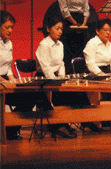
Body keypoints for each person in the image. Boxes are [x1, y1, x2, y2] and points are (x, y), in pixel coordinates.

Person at [35, 16, 79, 138]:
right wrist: (54, 81)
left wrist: (61, 78)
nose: (60, 31)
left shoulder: (60, 44)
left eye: (61, 29)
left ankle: (62, 124)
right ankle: (57, 126)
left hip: (54, 78)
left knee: (65, 97)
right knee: (48, 99)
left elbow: (61, 63)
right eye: (57, 28)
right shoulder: (44, 44)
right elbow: (45, 66)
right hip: (43, 78)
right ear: (49, 29)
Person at [0, 10, 38, 140]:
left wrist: (14, 81)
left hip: (5, 79)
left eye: (11, 27)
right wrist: (5, 82)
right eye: (7, 27)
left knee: (31, 96)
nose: (10, 30)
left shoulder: (8, 43)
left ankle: (11, 129)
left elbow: (7, 67)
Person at [58, 0, 91, 74]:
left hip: (81, 20)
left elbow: (86, 8)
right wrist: (74, 23)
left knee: (81, 48)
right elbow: (64, 9)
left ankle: (81, 73)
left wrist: (84, 22)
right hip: (69, 20)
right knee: (69, 50)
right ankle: (69, 74)